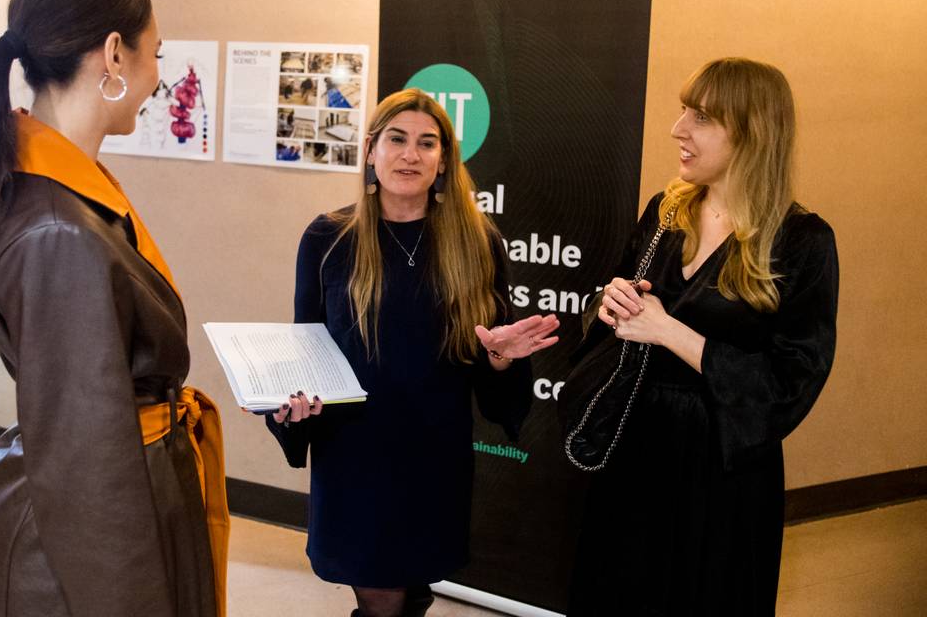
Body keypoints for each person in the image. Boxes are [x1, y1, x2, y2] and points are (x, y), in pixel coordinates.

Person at [0, 0, 228, 617]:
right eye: (154, 53)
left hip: (130, 483)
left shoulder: (67, 195)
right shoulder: (56, 229)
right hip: (88, 534)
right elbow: (85, 455)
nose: (159, 76)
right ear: (113, 55)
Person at [266, 88, 560, 617]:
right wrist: (293, 409)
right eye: (397, 140)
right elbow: (304, 345)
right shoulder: (329, 238)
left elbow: (492, 360)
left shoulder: (477, 240)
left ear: (444, 159)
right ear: (371, 150)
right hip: (354, 452)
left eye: (428, 143)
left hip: (432, 452)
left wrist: (501, 357)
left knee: (412, 588)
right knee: (380, 594)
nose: (410, 155)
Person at [563, 58, 839, 615]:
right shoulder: (666, 214)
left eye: (703, 117)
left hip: (722, 470)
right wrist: (613, 305)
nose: (678, 129)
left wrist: (670, 332)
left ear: (752, 132)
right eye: (683, 111)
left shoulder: (804, 242)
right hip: (633, 449)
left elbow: (790, 383)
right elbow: (618, 321)